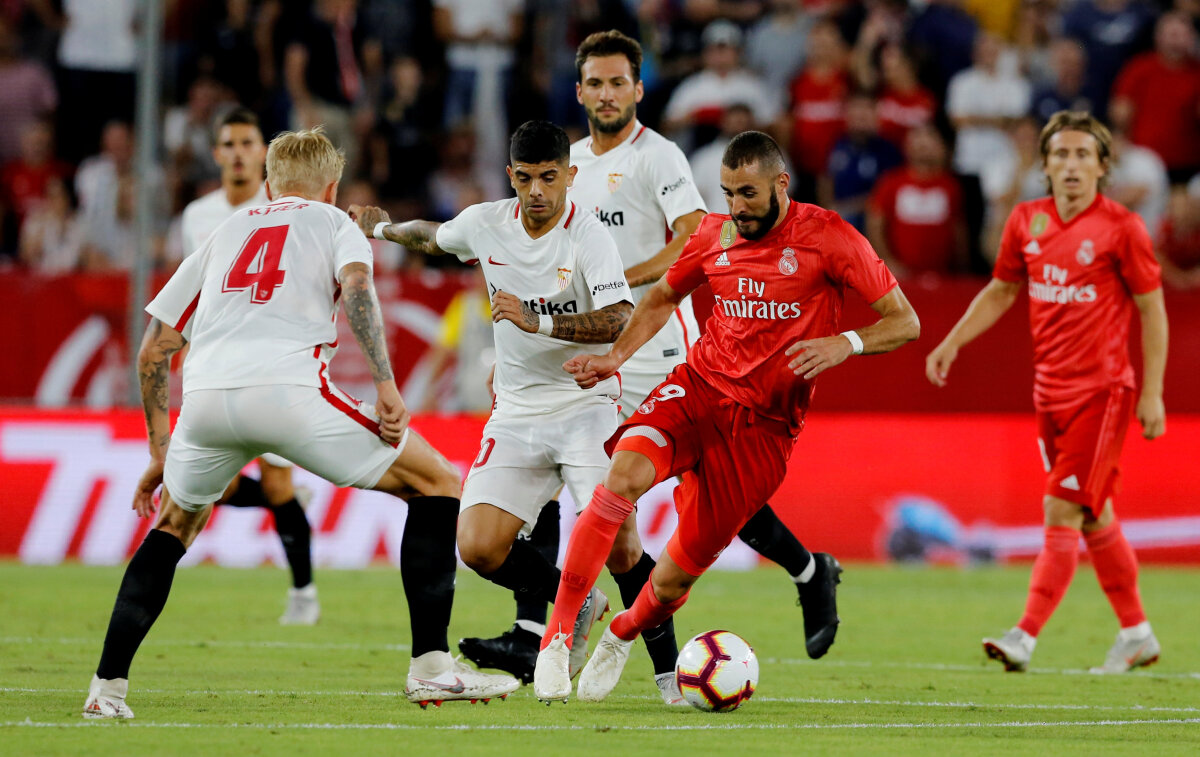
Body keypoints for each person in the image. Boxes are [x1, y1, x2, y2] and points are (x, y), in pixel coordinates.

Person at [458, 31, 843, 706]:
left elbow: (695, 239)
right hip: (593, 355)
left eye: (618, 83)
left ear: (639, 90)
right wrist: (515, 361)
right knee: (574, 496)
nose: (606, 95)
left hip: (654, 351)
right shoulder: (563, 163)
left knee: (697, 507)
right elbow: (531, 261)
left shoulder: (657, 157)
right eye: (595, 84)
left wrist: (619, 283)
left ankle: (802, 573)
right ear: (579, 92)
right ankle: (544, 633)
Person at [82, 127, 519, 719]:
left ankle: (106, 691)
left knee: (173, 527)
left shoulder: (226, 230)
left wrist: (163, 448)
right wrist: (386, 386)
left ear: (267, 183)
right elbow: (359, 289)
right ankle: (432, 668)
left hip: (207, 400)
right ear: (332, 187)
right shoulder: (335, 222)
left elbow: (154, 351)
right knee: (437, 482)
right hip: (289, 395)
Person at [532, 130, 920, 703]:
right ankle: (557, 641)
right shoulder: (715, 234)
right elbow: (663, 296)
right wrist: (615, 358)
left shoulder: (829, 237)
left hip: (763, 432)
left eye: (748, 194)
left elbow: (904, 320)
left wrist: (848, 342)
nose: (736, 207)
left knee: (671, 580)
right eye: (727, 193)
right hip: (697, 391)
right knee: (621, 480)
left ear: (780, 185)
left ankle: (620, 635)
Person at [349, 119, 635, 689]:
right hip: (517, 411)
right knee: (477, 546)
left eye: (548, 178)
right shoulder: (487, 224)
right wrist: (382, 229)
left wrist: (539, 319)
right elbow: (433, 237)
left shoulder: (590, 237)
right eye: (525, 178)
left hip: (586, 403)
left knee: (622, 545)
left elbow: (619, 318)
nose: (536, 191)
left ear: (569, 176)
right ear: (510, 176)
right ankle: (573, 603)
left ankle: (669, 672)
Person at [925, 110, 1168, 674]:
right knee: (1094, 514)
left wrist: (1152, 393)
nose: (1072, 165)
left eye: (1084, 155)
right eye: (1061, 154)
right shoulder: (1025, 221)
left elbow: (1153, 311)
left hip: (1103, 393)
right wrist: (951, 342)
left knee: (1061, 507)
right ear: (1045, 164)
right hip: (1048, 396)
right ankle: (1136, 633)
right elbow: (1001, 291)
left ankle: (1024, 636)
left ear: (1103, 166)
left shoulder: (1122, 227)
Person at [179, 108, 321, 625]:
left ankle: (304, 594)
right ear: (216, 154)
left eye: (247, 142)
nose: (238, 152)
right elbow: (192, 293)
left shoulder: (288, 210)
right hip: (210, 366)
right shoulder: (197, 216)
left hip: (271, 367)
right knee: (202, 485)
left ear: (263, 153)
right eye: (229, 143)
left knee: (278, 488)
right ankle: (282, 505)